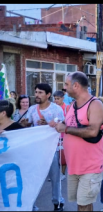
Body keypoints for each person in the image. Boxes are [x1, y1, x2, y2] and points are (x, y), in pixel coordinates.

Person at [51, 72, 103, 211]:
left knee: (83, 204)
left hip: (91, 166)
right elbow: (67, 123)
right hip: (75, 165)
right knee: (82, 203)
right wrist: (57, 123)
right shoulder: (73, 105)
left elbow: (92, 131)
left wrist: (66, 129)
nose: (64, 88)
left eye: (66, 84)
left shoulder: (95, 104)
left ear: (76, 85)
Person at [23, 84, 65, 212]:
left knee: (55, 178)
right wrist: (25, 124)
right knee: (33, 178)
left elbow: (63, 125)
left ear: (48, 95)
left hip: (52, 150)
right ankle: (32, 205)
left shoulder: (56, 109)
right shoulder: (31, 109)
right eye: (36, 92)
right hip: (35, 150)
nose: (37, 95)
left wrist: (48, 124)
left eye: (40, 92)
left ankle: (57, 202)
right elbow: (27, 125)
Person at [53, 90, 71, 181]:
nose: (56, 100)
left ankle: (62, 173)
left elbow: (69, 120)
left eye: (58, 99)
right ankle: (55, 173)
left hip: (64, 135)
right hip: (54, 135)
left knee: (63, 155)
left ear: (63, 98)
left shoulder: (67, 108)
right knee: (54, 155)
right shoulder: (52, 108)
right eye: (55, 98)